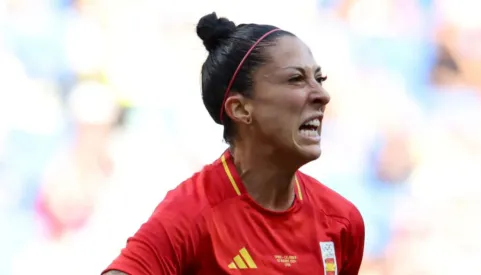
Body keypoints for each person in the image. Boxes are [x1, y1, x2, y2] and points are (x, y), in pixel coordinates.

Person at [102, 12, 364, 275]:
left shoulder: (342, 221)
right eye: (296, 79)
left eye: (320, 79)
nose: (322, 95)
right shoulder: (192, 212)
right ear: (240, 109)